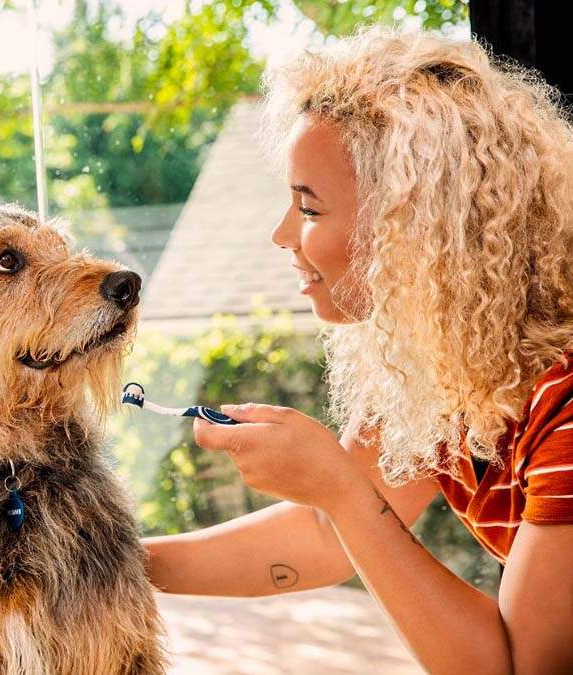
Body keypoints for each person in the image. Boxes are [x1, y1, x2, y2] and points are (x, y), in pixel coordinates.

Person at [141, 26, 573, 675]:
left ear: (414, 227)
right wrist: (110, 563)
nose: (281, 234)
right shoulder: (444, 366)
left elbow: (515, 666)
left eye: (308, 208)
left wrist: (339, 488)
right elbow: (325, 536)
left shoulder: (564, 410)